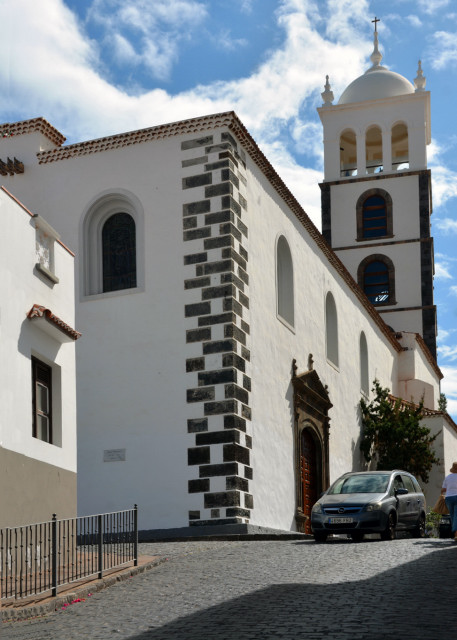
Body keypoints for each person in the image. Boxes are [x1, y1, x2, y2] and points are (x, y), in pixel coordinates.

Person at [441, 462, 457, 541]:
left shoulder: (448, 477)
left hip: (449, 498)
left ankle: (455, 534)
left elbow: (443, 489)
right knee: (456, 515)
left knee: (452, 515)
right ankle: (456, 533)